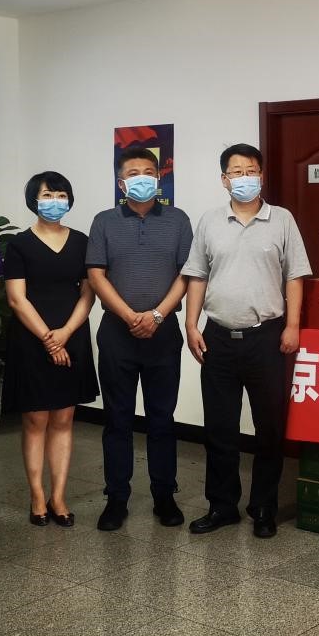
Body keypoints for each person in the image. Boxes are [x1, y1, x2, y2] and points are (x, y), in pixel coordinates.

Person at [181, 143, 311, 538]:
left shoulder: (282, 220)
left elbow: (295, 276)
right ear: (224, 179)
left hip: (266, 338)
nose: (244, 178)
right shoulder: (209, 221)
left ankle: (263, 507)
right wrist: (191, 324)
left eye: (251, 170)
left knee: (269, 427)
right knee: (219, 428)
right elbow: (197, 275)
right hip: (218, 337)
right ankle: (222, 506)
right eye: (236, 172)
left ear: (262, 176)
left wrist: (292, 325)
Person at [87, 145, 192, 531]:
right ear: (121, 183)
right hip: (118, 333)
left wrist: (158, 314)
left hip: (164, 334)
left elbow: (187, 273)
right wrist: (130, 315)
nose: (142, 179)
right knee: (117, 419)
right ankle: (117, 497)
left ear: (159, 177)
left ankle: (164, 495)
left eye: (149, 172)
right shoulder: (104, 221)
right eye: (133, 174)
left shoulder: (178, 220)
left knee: (162, 418)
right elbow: (96, 275)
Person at [4, 172, 98, 528]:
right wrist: (48, 338)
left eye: (61, 195)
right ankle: (37, 497)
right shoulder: (19, 244)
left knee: (63, 419)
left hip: (72, 336)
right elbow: (16, 299)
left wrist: (66, 333)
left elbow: (88, 293)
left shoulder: (82, 241)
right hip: (32, 339)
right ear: (34, 199)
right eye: (47, 195)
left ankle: (58, 497)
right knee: (35, 421)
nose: (54, 201)